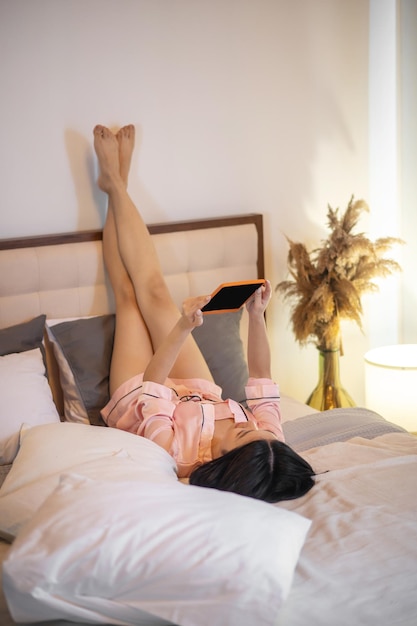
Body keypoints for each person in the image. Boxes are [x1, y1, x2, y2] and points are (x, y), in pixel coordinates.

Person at [94, 123, 315, 503]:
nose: (260, 431)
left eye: (249, 437)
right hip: (198, 391)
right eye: (265, 436)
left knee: (128, 299)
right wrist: (257, 317)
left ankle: (116, 184)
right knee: (158, 292)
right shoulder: (271, 446)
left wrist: (183, 329)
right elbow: (261, 375)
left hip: (144, 395)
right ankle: (117, 184)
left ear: (228, 461)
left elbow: (152, 385)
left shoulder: (178, 452)